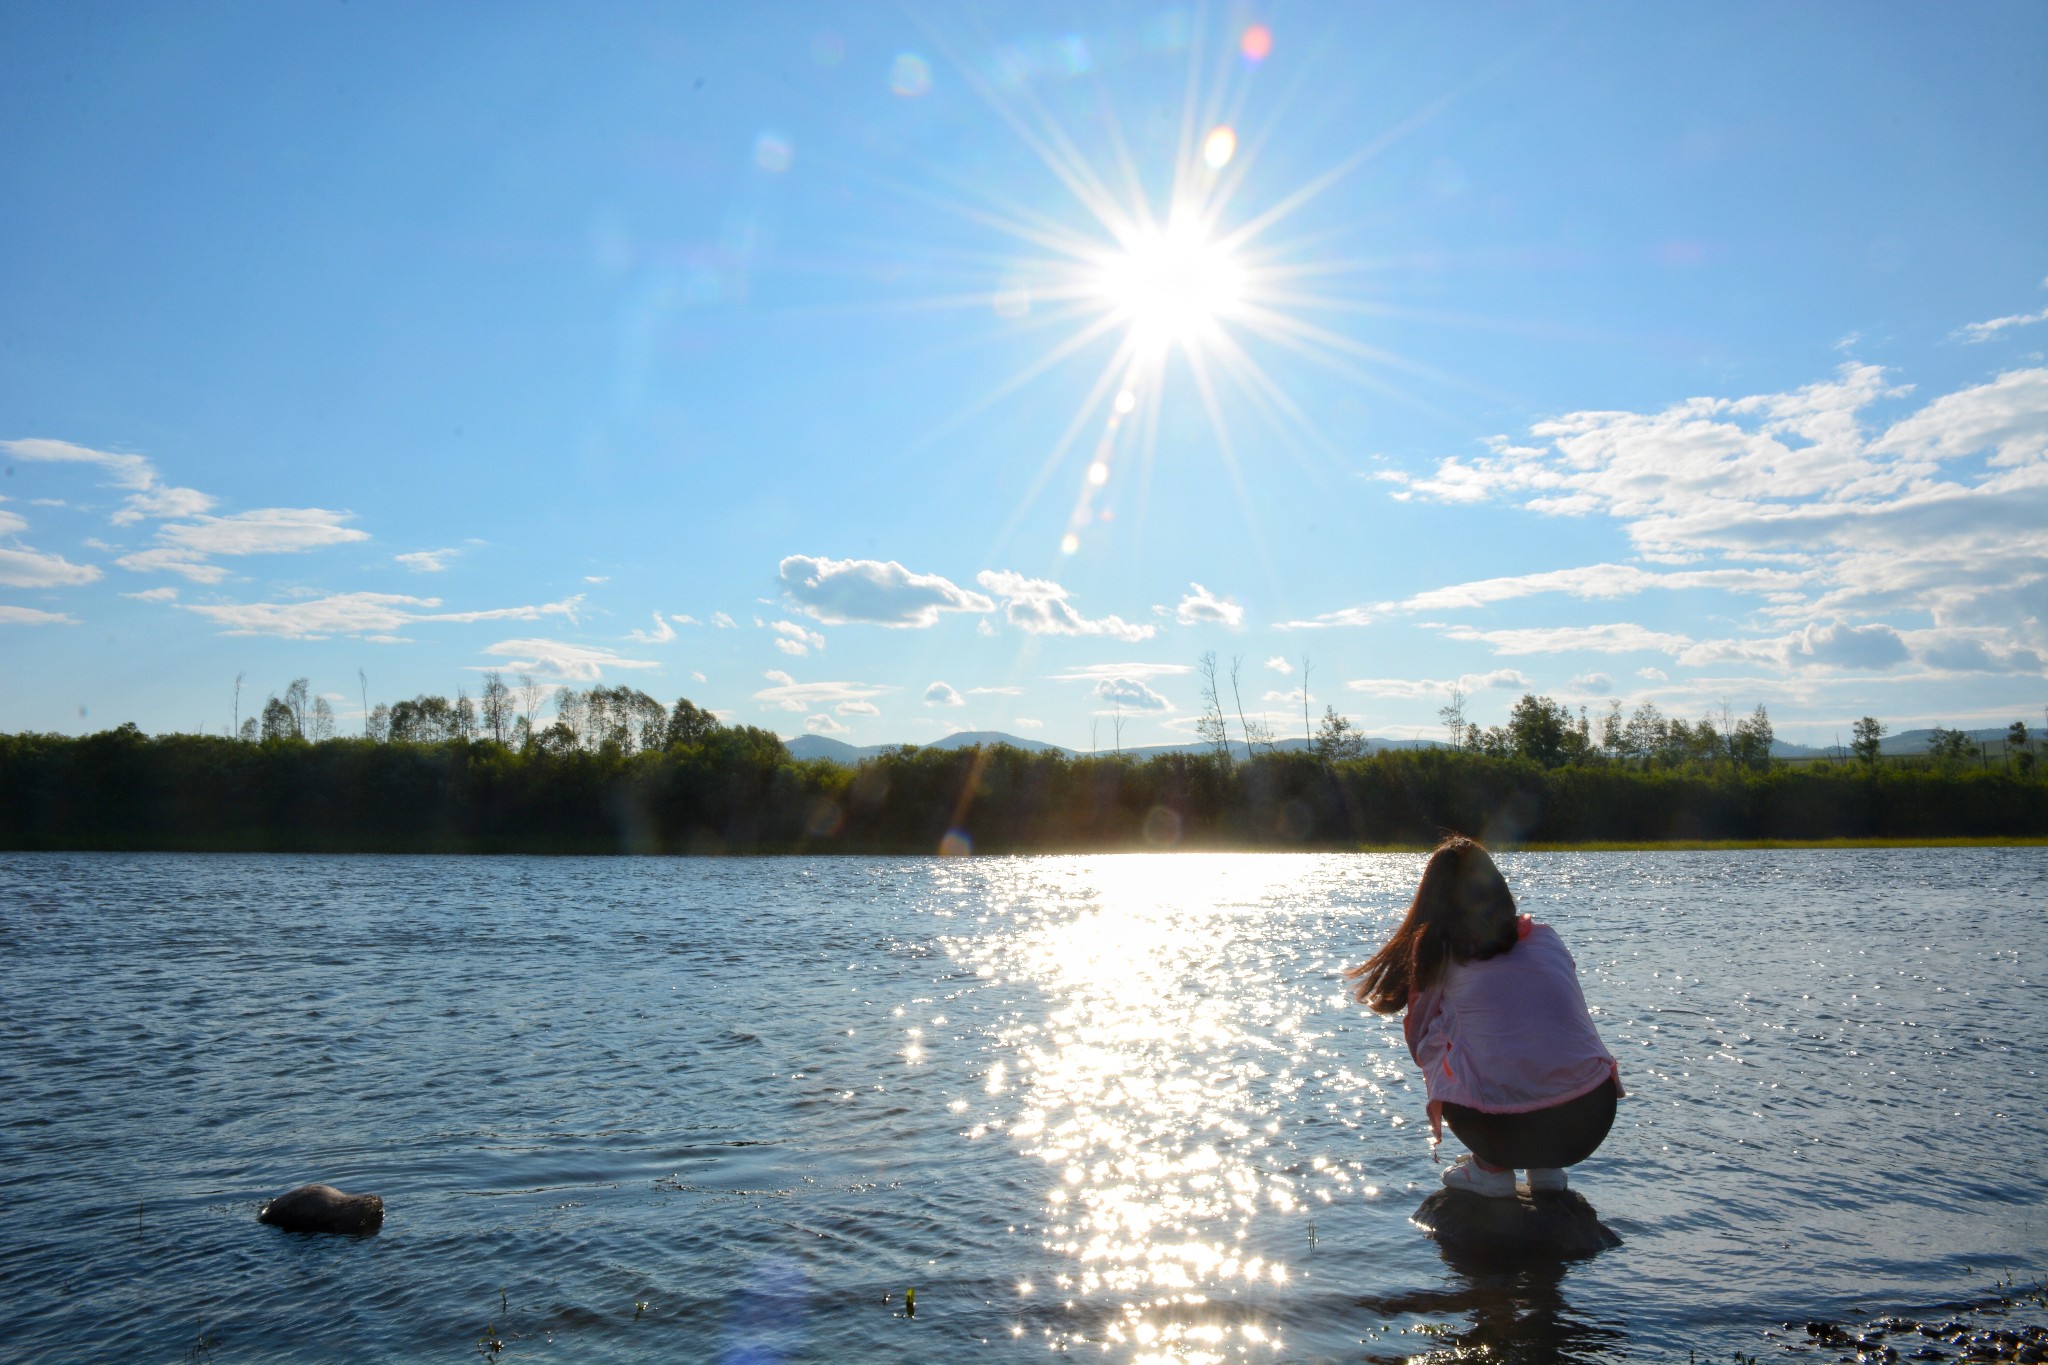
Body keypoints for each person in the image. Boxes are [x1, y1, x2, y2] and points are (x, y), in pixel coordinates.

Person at [1347, 834, 1622, 1199]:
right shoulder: (1547, 939)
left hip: (1501, 1131)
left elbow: (1419, 1042)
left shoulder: (1438, 954)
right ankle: (1544, 1169)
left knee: (1436, 1036)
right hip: (1590, 1120)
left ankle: (1490, 1168)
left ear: (1434, 902)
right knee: (1535, 1022)